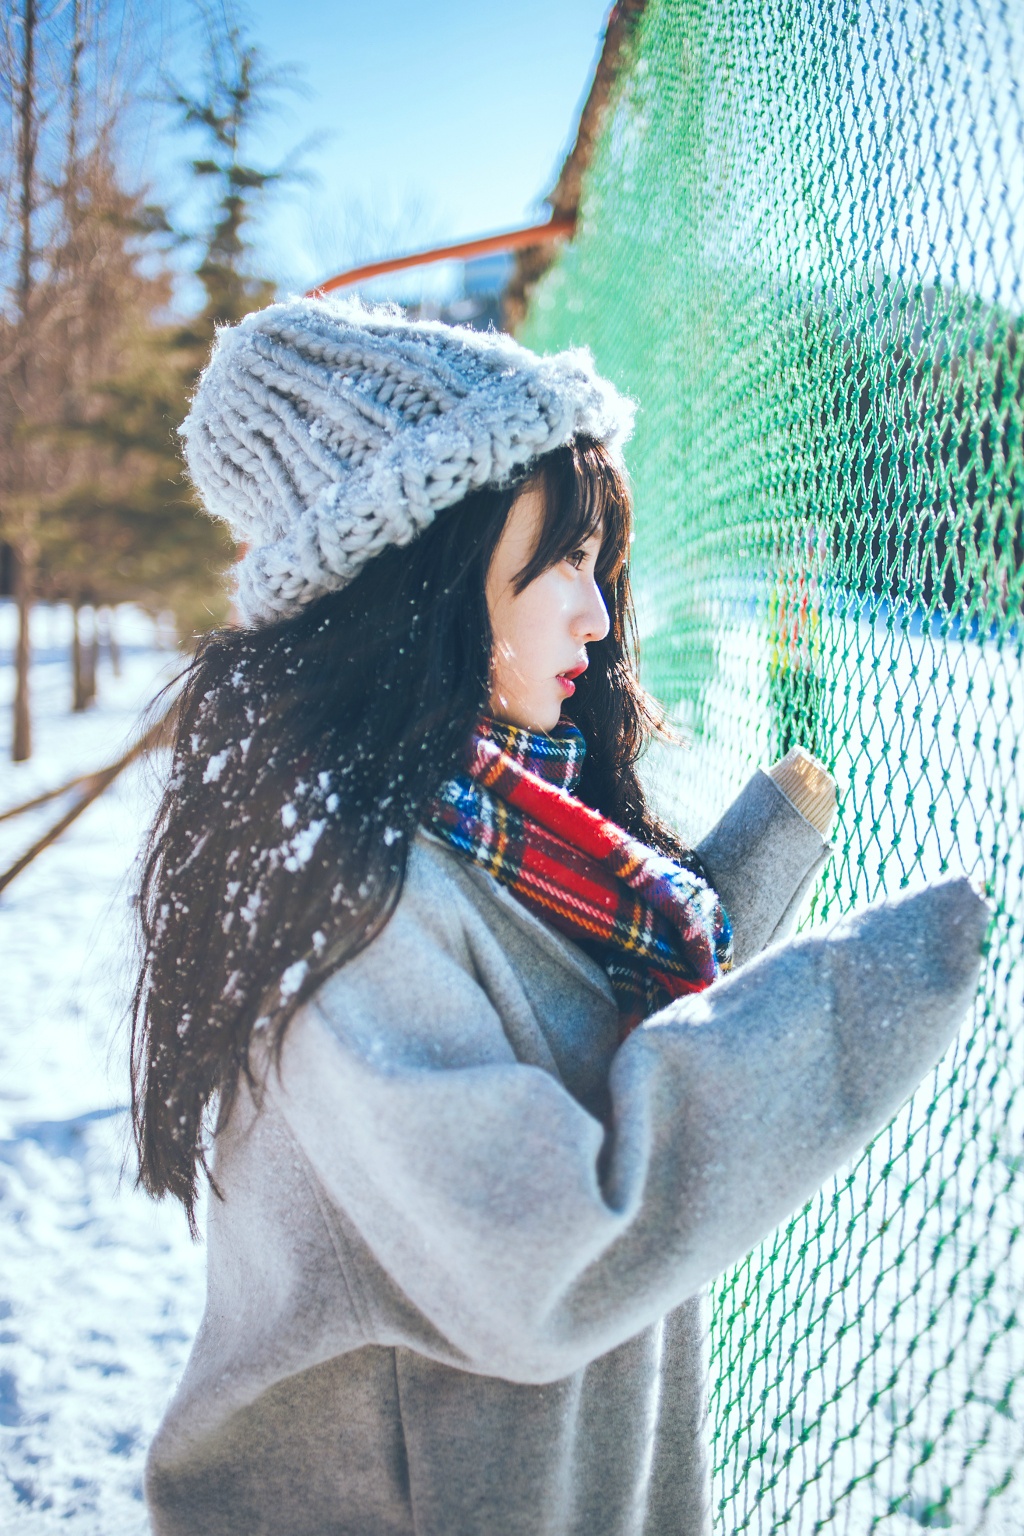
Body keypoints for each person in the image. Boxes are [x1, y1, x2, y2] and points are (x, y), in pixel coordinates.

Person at [132, 299, 985, 1536]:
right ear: (429, 562)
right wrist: (871, 987)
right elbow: (546, 1249)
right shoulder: (351, 903)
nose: (595, 614)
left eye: (601, 568)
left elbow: (549, 1030)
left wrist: (750, 869)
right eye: (567, 561)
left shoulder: (462, 814)